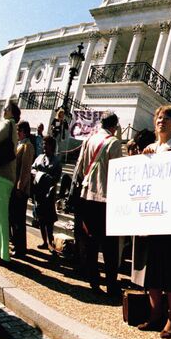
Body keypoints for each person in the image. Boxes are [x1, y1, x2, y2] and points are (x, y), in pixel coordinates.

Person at [135, 105, 171, 338]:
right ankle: (156, 315)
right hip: (150, 216)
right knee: (152, 269)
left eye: (166, 119)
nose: (161, 122)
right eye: (158, 118)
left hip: (170, 217)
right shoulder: (149, 149)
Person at [73, 111, 122, 295]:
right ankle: (111, 283)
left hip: (86, 196)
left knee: (91, 241)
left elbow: (79, 167)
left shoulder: (89, 139)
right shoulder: (113, 142)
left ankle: (93, 280)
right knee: (110, 244)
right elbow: (117, 173)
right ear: (114, 126)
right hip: (104, 198)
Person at [0, 102, 20, 263]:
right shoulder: (12, 125)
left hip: (2, 174)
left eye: (6, 109)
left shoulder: (7, 123)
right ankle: (1, 253)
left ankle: (4, 255)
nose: (3, 110)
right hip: (5, 176)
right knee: (1, 216)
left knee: (2, 217)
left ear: (11, 113)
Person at [31, 136, 62, 251]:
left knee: (49, 222)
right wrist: (36, 174)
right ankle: (44, 241)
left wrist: (44, 176)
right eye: (43, 144)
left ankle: (51, 243)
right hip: (38, 193)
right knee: (41, 220)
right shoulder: (39, 158)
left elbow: (56, 178)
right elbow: (32, 168)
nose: (44, 146)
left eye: (46, 144)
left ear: (52, 146)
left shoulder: (56, 161)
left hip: (48, 195)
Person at [9, 121, 35, 257]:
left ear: (24, 131)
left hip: (21, 190)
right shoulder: (20, 144)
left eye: (19, 130)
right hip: (15, 187)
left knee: (19, 220)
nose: (17, 133)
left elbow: (25, 170)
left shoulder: (27, 146)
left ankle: (20, 248)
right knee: (14, 218)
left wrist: (20, 187)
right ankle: (17, 244)